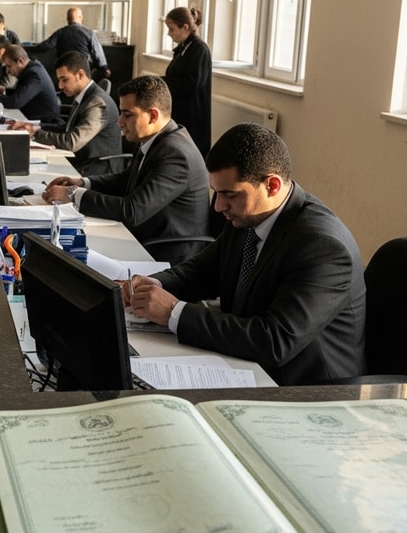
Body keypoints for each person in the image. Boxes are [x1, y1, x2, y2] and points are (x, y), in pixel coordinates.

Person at [126, 123, 366, 386]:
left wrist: (174, 312)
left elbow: (274, 341)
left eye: (229, 194)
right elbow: (203, 270)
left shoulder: (323, 246)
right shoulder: (249, 215)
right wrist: (153, 285)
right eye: (216, 192)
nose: (218, 206)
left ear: (272, 185)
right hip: (245, 364)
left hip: (303, 390)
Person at [44, 74, 208, 263]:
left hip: (166, 251)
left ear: (153, 115)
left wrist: (74, 194)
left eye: (127, 114)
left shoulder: (175, 154)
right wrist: (83, 182)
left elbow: (132, 211)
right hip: (144, 237)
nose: (120, 121)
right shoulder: (157, 139)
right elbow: (127, 179)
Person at [8, 51, 120, 175]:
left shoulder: (97, 103)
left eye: (64, 80)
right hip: (81, 162)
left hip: (95, 170)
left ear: (80, 74)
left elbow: (72, 142)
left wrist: (37, 133)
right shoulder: (84, 96)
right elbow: (67, 128)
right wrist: (36, 128)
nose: (60, 86)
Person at [164, 6, 212, 157]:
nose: (168, 34)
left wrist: (162, 83)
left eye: (171, 29)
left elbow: (191, 83)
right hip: (180, 109)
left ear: (185, 27)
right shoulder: (183, 48)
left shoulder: (199, 49)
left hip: (192, 113)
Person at [35, 6, 109, 80]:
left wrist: (32, 48)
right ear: (81, 17)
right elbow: (97, 53)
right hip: (83, 70)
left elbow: (45, 46)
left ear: (67, 19)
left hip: (64, 70)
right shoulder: (89, 33)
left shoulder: (60, 32)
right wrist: (104, 68)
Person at [0, 44, 59, 122]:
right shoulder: (31, 67)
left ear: (20, 61)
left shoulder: (34, 75)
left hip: (44, 123)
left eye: (9, 66)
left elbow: (16, 102)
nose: (7, 71)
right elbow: (22, 93)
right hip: (32, 117)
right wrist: (5, 91)